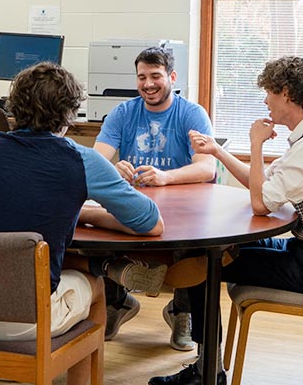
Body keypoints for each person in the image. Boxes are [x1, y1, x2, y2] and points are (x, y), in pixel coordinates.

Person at [149, 56, 303, 385]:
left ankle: (206, 373)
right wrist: (218, 152)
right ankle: (205, 358)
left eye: (269, 93)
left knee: (203, 265)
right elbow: (261, 183)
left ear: (286, 94)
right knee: (218, 252)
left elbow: (261, 203)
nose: (265, 100)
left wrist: (256, 143)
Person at [0, 62, 165, 372]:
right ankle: (87, 378)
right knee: (97, 287)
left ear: (14, 106)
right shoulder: (81, 158)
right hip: (26, 320)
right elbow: (151, 222)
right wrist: (91, 214)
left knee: (36, 257)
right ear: (69, 114)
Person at [91, 46, 216, 350]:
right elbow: (96, 159)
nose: (148, 84)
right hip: (134, 204)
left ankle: (181, 312)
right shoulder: (123, 112)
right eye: (142, 77)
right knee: (96, 231)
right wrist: (112, 167)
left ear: (172, 77)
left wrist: (165, 177)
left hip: (181, 208)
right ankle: (117, 303)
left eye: (156, 76)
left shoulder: (192, 114)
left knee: (194, 245)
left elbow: (207, 167)